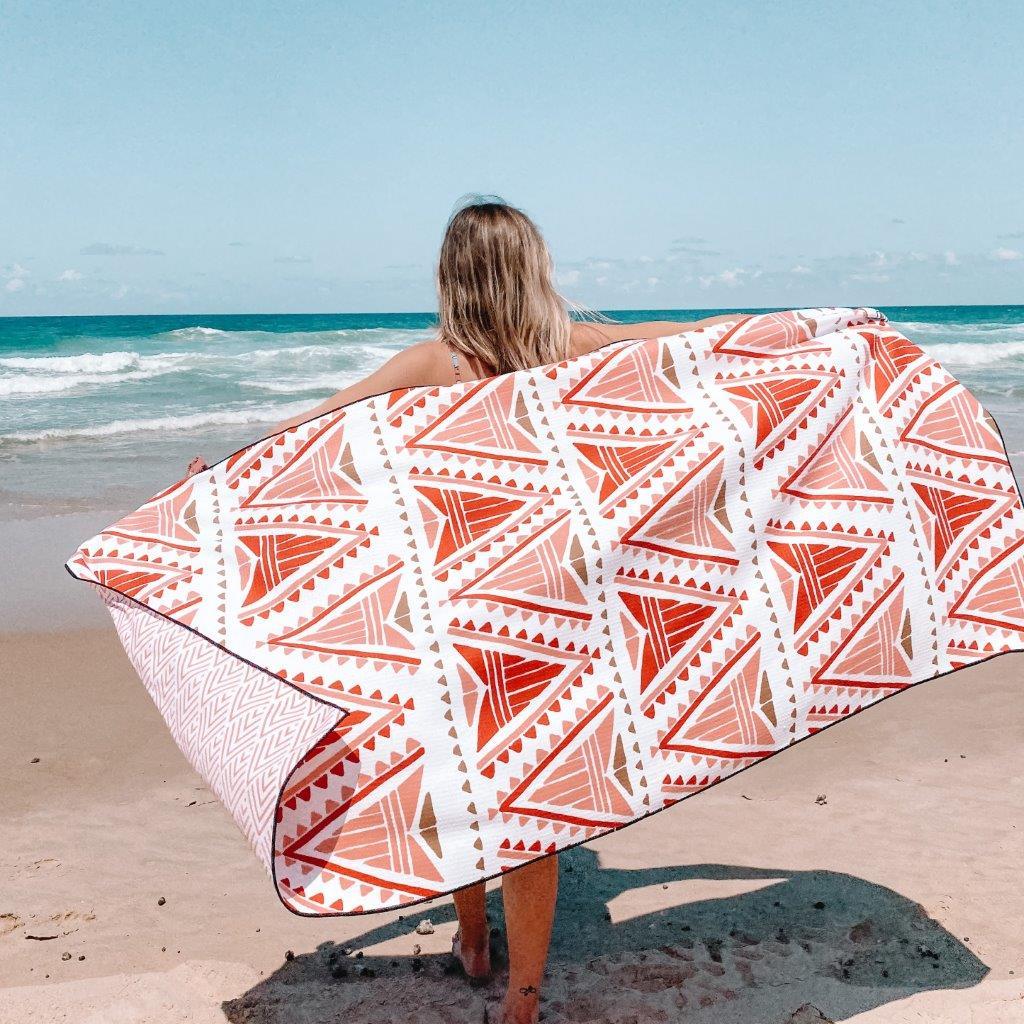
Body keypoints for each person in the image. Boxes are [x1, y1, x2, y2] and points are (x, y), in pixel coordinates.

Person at [188, 196, 743, 1024]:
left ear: (453, 277)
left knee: (469, 788)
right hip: (553, 616)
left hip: (454, 615)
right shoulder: (572, 351)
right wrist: (806, 326)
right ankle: (522, 1002)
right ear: (531, 270)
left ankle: (476, 940)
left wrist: (217, 478)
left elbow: (308, 430)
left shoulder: (434, 364)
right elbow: (689, 337)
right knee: (537, 808)